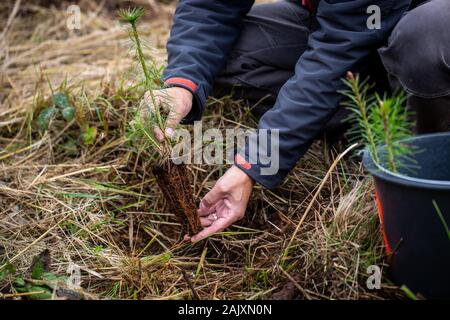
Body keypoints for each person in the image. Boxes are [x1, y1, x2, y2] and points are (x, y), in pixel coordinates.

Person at [141, 0, 450, 242]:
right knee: (235, 53)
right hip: (350, 30)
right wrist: (183, 84)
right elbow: (211, 7)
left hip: (420, 26)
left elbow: (335, 55)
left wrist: (254, 163)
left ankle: (426, 174)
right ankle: (374, 119)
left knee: (427, 37)